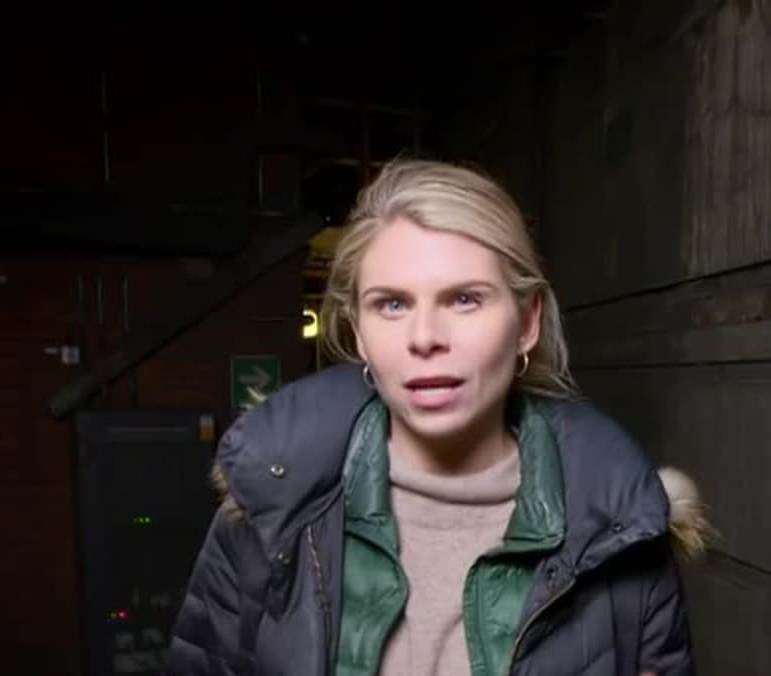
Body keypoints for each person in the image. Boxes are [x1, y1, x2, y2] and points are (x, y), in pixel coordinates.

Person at [162, 159, 710, 676]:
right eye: (392, 304)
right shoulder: (269, 510)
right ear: (359, 334)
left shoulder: (622, 535)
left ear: (527, 323)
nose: (424, 337)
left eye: (465, 299)